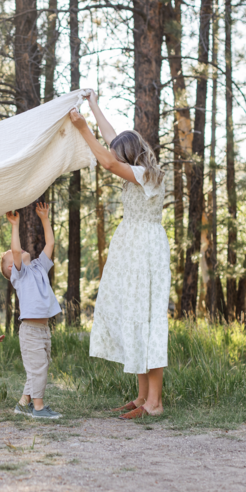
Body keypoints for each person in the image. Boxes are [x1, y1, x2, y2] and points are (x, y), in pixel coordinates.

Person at [68, 90, 170, 419]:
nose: (115, 160)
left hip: (145, 252)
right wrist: (94, 104)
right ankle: (142, 397)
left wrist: (84, 128)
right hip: (132, 249)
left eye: (119, 156)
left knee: (148, 318)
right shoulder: (136, 169)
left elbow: (109, 160)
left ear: (130, 156)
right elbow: (113, 140)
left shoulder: (148, 176)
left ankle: (155, 402)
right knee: (134, 316)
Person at [1, 203, 63, 419]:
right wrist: (15, 225)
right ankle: (38, 408)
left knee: (38, 368)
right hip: (30, 331)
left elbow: (50, 242)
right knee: (39, 369)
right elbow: (16, 250)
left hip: (44, 329)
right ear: (12, 267)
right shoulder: (20, 275)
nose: (19, 252)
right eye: (13, 256)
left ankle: (23, 403)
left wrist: (44, 218)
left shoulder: (39, 266)